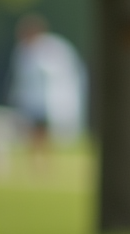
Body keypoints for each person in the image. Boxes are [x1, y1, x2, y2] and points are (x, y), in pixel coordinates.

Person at [7, 14, 86, 162]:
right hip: (29, 100)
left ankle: (45, 160)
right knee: (31, 132)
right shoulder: (22, 52)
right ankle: (35, 160)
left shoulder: (53, 48)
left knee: (44, 132)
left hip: (47, 100)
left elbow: (63, 73)